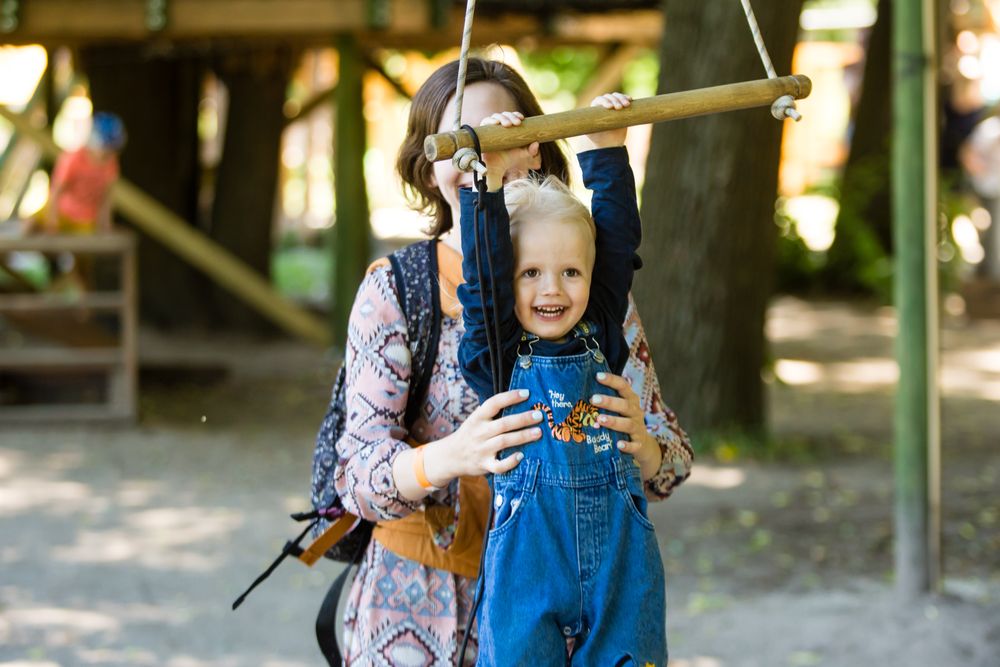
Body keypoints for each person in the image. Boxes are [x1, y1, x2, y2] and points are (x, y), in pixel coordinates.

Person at [331, 57, 693, 665]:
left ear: (535, 148)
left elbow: (671, 464)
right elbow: (356, 478)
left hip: (583, 594)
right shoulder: (402, 292)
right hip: (418, 612)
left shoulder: (585, 299)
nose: (480, 150)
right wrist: (453, 455)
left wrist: (646, 445)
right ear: (429, 163)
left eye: (502, 132)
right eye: (464, 139)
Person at [455, 95, 666, 665]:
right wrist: (486, 183)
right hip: (530, 562)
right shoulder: (496, 350)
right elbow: (483, 280)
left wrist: (608, 150)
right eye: (530, 274)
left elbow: (619, 243)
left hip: (620, 562)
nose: (553, 290)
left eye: (571, 272)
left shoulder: (601, 326)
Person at [41, 111, 126, 235]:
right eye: (105, 149)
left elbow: (107, 197)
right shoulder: (73, 158)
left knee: (85, 248)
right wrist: (52, 220)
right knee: (30, 225)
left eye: (112, 150)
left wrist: (105, 225)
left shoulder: (111, 163)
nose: (108, 155)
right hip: (62, 213)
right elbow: (56, 190)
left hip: (86, 220)